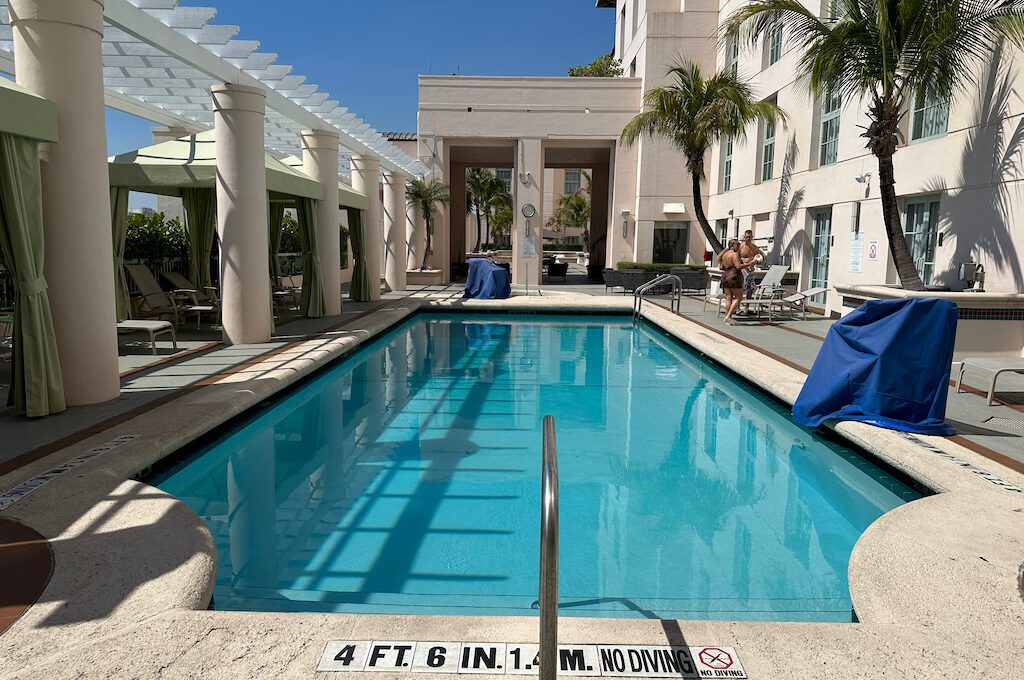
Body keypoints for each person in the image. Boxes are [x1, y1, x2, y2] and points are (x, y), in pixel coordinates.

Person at [719, 239, 753, 326]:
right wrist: (751, 262)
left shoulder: (724, 255)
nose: (738, 247)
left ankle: (728, 317)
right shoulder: (734, 255)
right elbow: (738, 266)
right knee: (739, 297)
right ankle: (728, 316)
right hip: (733, 277)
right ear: (732, 246)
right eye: (737, 245)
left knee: (728, 297)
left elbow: (721, 267)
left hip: (725, 276)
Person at [739, 229, 765, 301]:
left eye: (750, 237)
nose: (748, 239)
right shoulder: (741, 247)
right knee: (740, 288)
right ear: (744, 237)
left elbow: (761, 256)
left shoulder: (754, 247)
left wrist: (759, 261)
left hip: (751, 270)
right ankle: (737, 308)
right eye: (746, 237)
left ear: (752, 237)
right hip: (743, 269)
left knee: (750, 289)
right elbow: (736, 258)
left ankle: (747, 307)